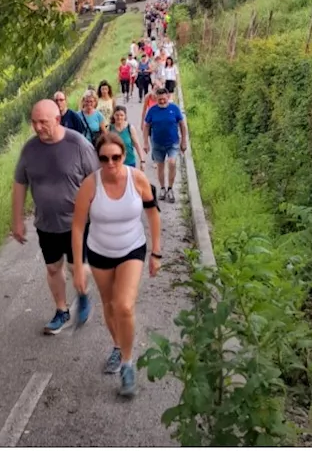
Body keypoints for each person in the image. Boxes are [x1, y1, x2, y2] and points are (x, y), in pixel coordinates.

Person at [70, 132, 162, 397]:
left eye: (116, 157)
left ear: (124, 155)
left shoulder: (137, 179)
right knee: (109, 305)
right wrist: (78, 265)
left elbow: (153, 215)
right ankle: (117, 346)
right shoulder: (90, 185)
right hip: (99, 252)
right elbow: (77, 227)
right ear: (98, 159)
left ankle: (127, 363)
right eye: (104, 158)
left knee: (124, 305)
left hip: (132, 249)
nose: (110, 163)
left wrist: (156, 253)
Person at [12, 100, 99, 334]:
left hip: (78, 223)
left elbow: (96, 180)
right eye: (34, 122)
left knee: (75, 266)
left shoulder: (78, 144)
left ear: (58, 119)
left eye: (43, 122)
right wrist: (17, 219)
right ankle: (61, 311)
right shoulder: (29, 149)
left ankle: (82, 294)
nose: (38, 127)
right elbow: (20, 183)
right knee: (53, 268)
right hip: (46, 222)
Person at [143, 88, 188, 203]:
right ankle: (162, 188)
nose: (162, 101)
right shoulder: (152, 110)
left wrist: (183, 141)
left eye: (164, 99)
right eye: (159, 100)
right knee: (160, 166)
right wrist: (145, 142)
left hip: (172, 143)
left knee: (172, 163)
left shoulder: (174, 109)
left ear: (168, 97)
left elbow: (182, 125)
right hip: (157, 143)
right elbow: (147, 126)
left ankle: (170, 188)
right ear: (156, 98)